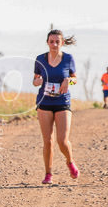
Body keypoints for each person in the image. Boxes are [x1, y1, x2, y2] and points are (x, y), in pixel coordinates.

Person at [32, 29, 79, 184]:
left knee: (62, 140)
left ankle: (70, 161)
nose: (54, 44)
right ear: (47, 42)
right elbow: (35, 80)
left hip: (62, 102)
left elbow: (75, 79)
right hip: (44, 103)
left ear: (62, 43)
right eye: (51, 41)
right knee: (48, 141)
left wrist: (68, 81)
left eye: (57, 41)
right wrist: (38, 81)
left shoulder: (68, 59)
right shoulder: (40, 59)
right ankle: (48, 174)